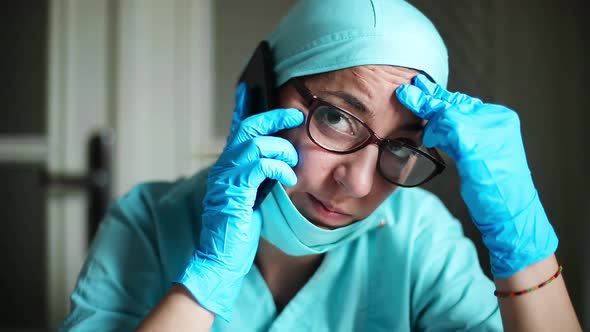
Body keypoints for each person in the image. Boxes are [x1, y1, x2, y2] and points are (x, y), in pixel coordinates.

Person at [61, 0, 582, 331]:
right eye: (336, 118)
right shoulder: (148, 222)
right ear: (260, 95)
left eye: (401, 147)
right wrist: (205, 283)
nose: (356, 182)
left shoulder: (421, 238)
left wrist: (524, 248)